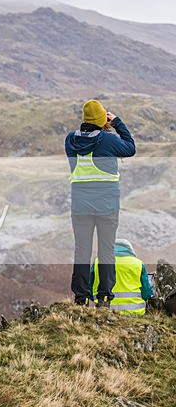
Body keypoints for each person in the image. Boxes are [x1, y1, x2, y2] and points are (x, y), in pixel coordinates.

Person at [66, 100, 136, 308]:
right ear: (101, 119)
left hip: (80, 205)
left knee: (82, 250)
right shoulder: (107, 140)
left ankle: (81, 298)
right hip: (107, 205)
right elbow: (130, 148)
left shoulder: (70, 140)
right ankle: (104, 297)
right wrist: (117, 123)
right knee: (106, 250)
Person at [89, 239, 154, 315]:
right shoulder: (138, 264)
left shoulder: (98, 262)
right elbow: (146, 293)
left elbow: (89, 286)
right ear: (130, 250)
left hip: (105, 310)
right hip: (135, 312)